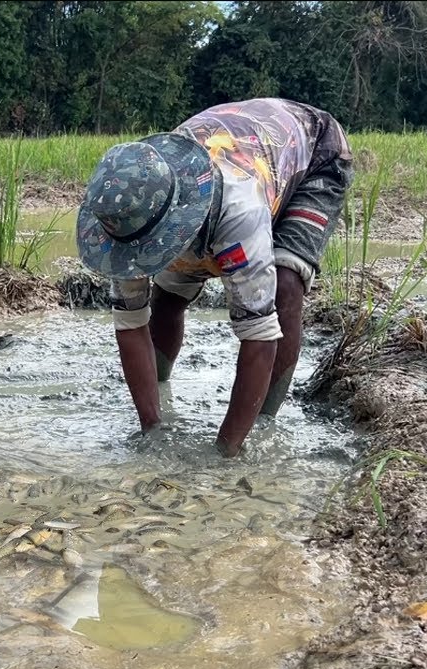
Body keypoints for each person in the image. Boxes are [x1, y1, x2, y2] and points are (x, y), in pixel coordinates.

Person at [76, 98, 353, 458]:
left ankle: (262, 423)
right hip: (238, 152)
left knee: (284, 284)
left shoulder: (239, 212)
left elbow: (259, 337)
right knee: (170, 293)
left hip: (313, 153)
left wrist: (224, 452)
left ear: (177, 221)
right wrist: (152, 430)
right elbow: (131, 325)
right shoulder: (127, 209)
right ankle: (161, 401)